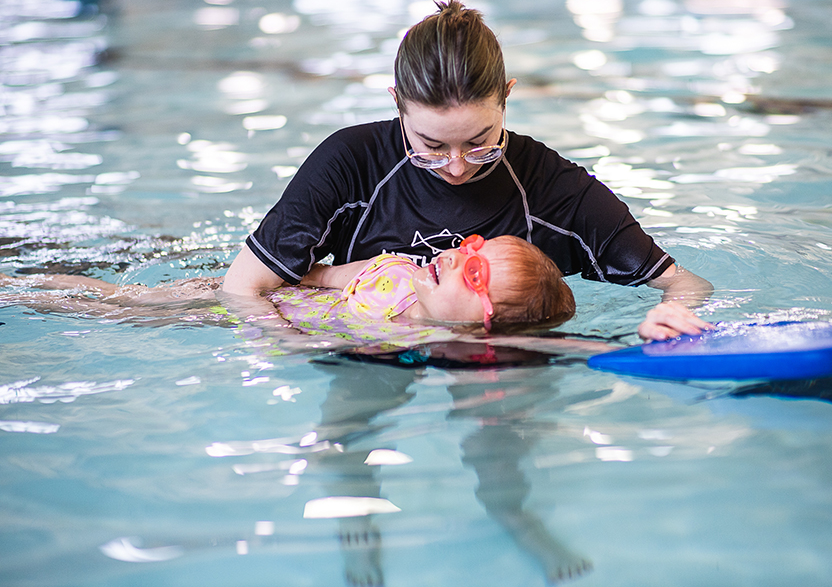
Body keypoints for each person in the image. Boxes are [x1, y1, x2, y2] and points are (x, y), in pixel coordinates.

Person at [222, 0, 713, 342]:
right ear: (398, 106)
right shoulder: (350, 163)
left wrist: (670, 317)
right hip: (360, 348)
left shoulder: (554, 192)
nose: (455, 167)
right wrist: (312, 347)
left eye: (480, 143)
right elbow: (243, 289)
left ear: (506, 97)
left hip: (495, 360)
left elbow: (684, 283)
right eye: (430, 146)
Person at [0, 235, 575, 338]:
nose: (453, 256)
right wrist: (252, 299)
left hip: (236, 316)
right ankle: (20, 288)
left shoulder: (404, 339)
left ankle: (22, 293)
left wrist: (269, 328)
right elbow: (320, 276)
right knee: (119, 301)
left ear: (483, 325)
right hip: (235, 299)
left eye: (472, 273)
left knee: (116, 310)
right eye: (470, 246)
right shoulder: (397, 268)